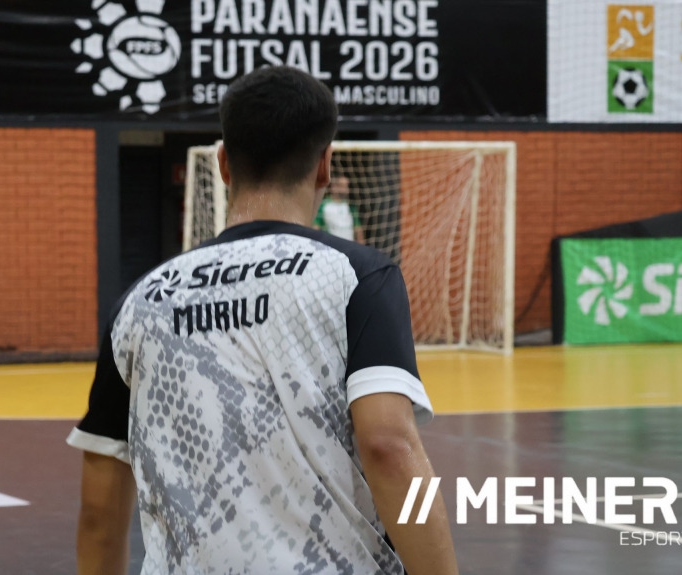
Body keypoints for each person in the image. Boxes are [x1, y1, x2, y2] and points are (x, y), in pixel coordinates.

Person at [68, 66, 458, 575]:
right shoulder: (357, 276)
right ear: (325, 165)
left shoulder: (140, 301)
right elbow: (389, 446)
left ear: (223, 163)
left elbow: (99, 517)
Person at [315, 175, 366, 244]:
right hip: (330, 246)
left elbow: (358, 229)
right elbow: (315, 228)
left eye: (346, 186)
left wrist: (361, 247)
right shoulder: (323, 205)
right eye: (341, 186)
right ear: (333, 187)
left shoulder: (350, 207)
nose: (344, 190)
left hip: (348, 246)